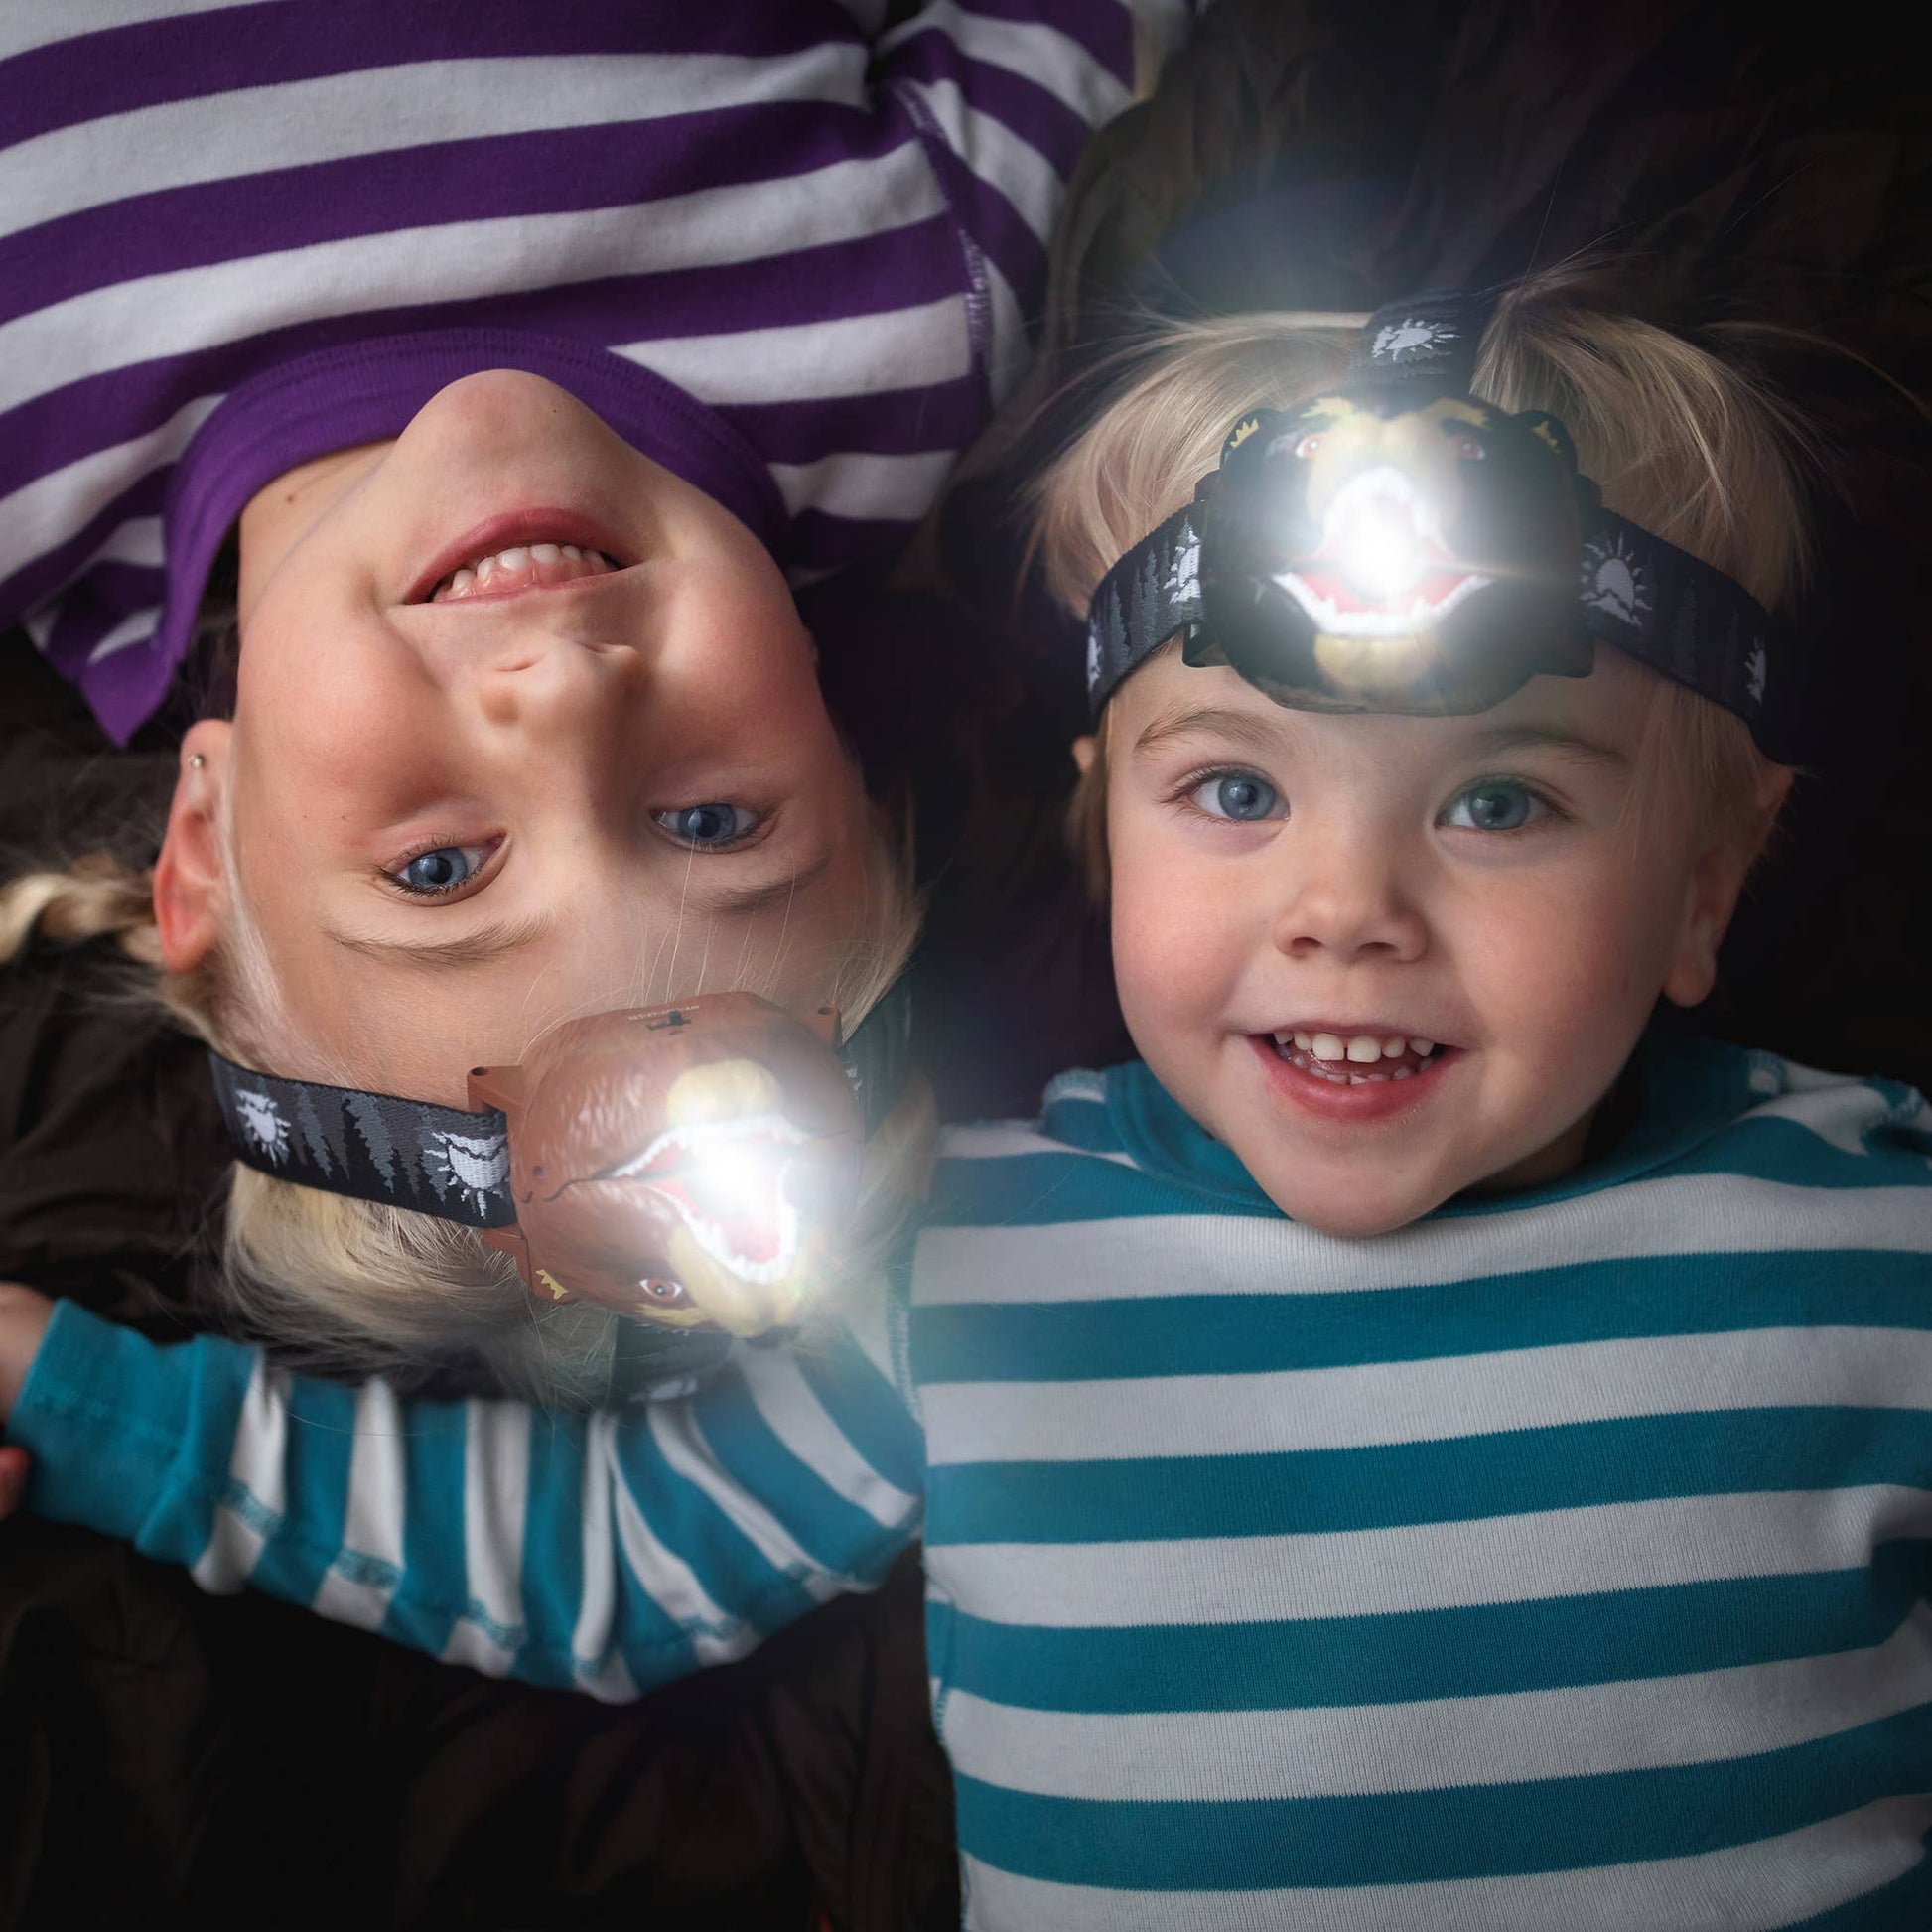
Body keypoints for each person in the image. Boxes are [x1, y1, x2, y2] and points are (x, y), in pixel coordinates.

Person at [7, 264, 1932, 1922]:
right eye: (1234, 789)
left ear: (1705, 881)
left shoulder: (1875, 1240)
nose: (1345, 909)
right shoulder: (975, 1266)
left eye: (1500, 800)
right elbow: (594, 1562)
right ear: (1102, 829)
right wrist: (60, 1390)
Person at [0, 0, 1181, 1387]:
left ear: (200, 844)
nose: (564, 693)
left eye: (439, 868)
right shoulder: (919, 327)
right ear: (839, 745)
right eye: (710, 822)